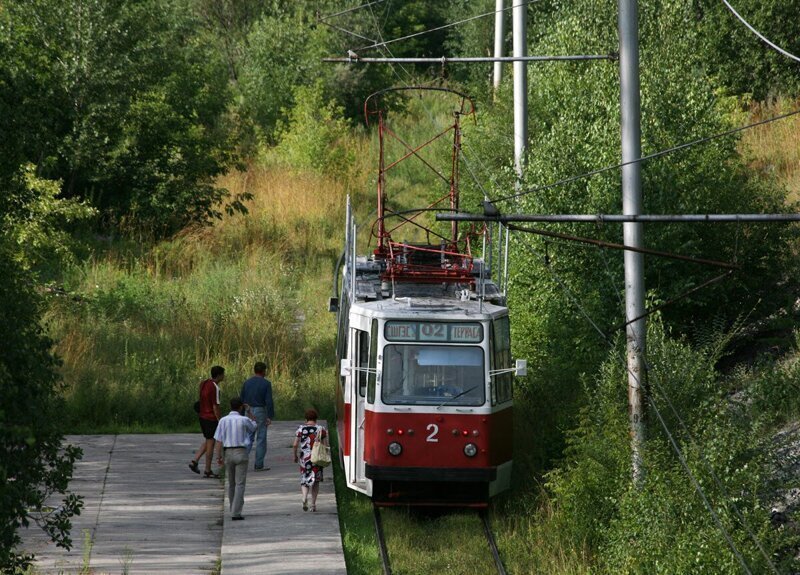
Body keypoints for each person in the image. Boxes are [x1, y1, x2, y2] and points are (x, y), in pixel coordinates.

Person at [213, 397, 257, 520]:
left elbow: (218, 440)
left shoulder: (223, 420)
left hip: (228, 452)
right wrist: (249, 412)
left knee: (231, 484)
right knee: (240, 484)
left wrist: (218, 457)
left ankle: (232, 507)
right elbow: (254, 427)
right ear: (241, 407)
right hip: (241, 452)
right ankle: (236, 512)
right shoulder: (244, 419)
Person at [189, 365, 224, 478]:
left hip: (202, 416)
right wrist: (220, 420)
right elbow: (215, 407)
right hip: (210, 418)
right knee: (211, 444)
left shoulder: (204, 383)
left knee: (209, 440)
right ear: (219, 375)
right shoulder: (215, 388)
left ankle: (195, 461)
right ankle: (208, 470)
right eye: (223, 374)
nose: (224, 376)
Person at [240, 361, 275, 471]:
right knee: (261, 437)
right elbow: (269, 401)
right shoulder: (266, 383)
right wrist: (270, 416)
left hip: (248, 410)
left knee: (248, 437)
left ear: (254, 370)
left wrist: (241, 414)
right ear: (264, 371)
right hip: (260, 411)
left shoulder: (247, 383)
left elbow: (242, 398)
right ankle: (258, 464)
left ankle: (241, 462)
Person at [292, 408, 328, 512]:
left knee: (305, 480)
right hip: (316, 459)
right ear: (316, 418)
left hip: (304, 459)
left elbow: (295, 445)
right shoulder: (321, 429)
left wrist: (295, 456)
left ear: (306, 419)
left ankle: (304, 498)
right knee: (315, 482)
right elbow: (326, 446)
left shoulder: (300, 429)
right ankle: (313, 505)